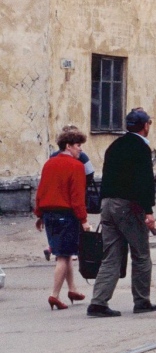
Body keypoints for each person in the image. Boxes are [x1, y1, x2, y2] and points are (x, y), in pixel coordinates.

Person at [88, 108, 156, 317]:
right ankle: (141, 300)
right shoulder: (141, 148)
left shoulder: (115, 145)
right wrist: (148, 210)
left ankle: (98, 301)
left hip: (107, 203)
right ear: (145, 126)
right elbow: (144, 182)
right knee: (141, 254)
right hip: (128, 205)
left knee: (111, 255)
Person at [36, 127, 91, 310]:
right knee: (62, 256)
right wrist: (84, 220)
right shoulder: (76, 166)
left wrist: (39, 214)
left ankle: (72, 289)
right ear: (68, 146)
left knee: (65, 253)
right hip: (66, 215)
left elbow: (41, 190)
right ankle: (54, 295)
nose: (80, 149)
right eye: (78, 145)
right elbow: (77, 197)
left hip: (49, 213)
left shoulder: (49, 164)